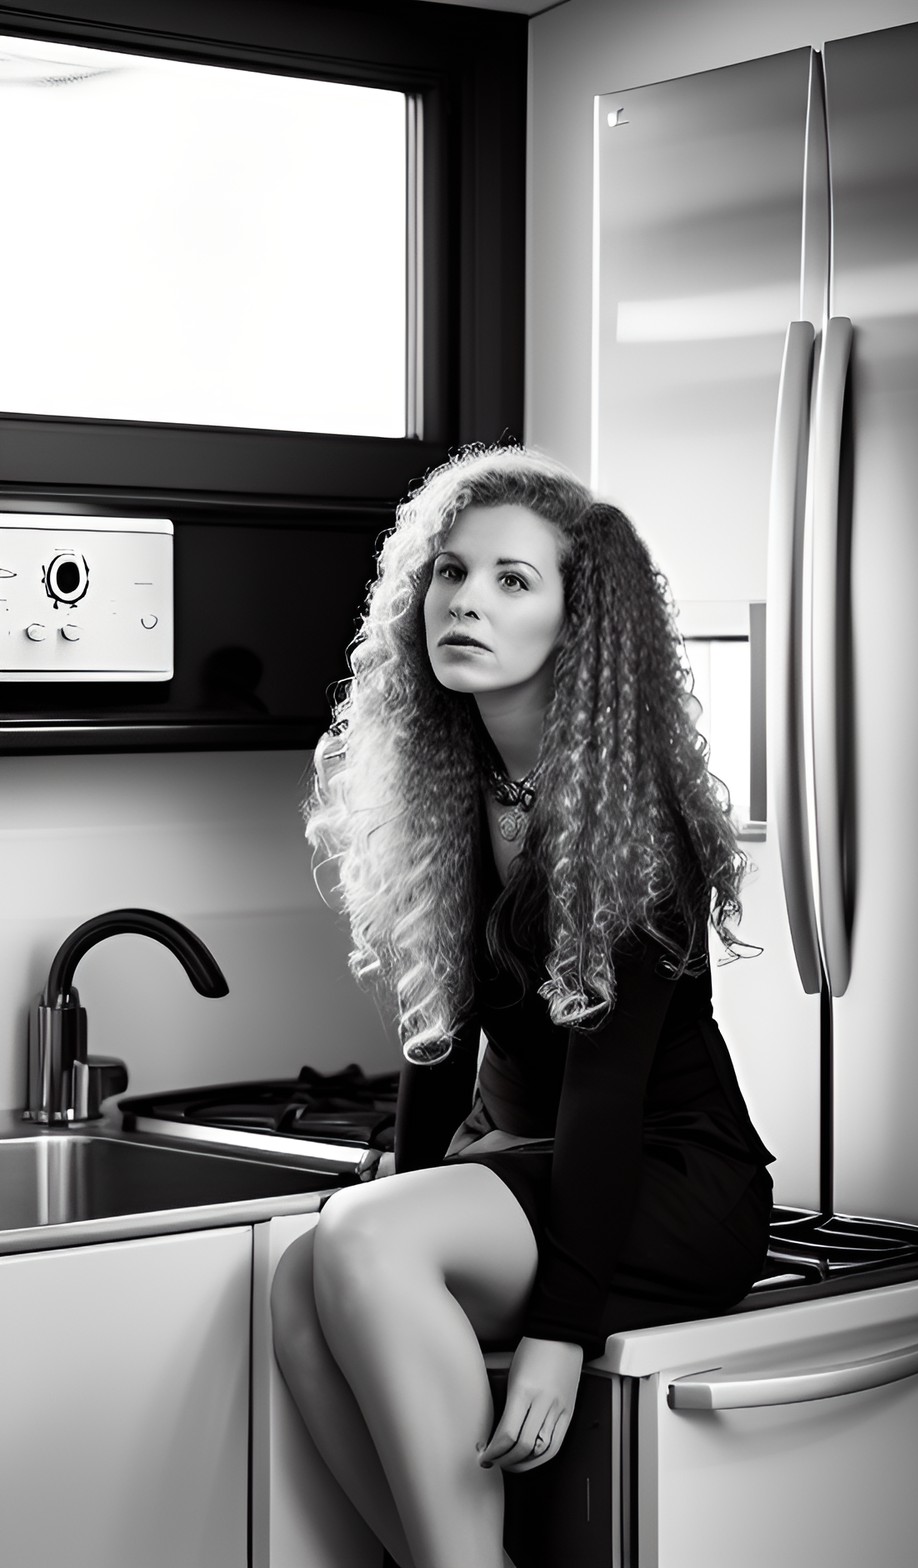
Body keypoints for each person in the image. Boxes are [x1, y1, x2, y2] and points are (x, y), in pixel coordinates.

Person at [270, 445, 774, 1568]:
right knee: (308, 1279)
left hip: (667, 1177)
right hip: (536, 1166)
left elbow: (608, 1094)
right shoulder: (458, 791)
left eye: (512, 580)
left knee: (362, 1236)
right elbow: (439, 1049)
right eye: (450, 572)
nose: (466, 601)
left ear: (578, 618)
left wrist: (560, 1329)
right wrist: (405, 1209)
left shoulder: (632, 823)